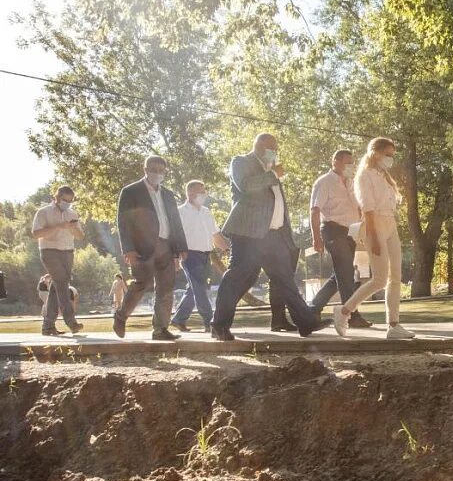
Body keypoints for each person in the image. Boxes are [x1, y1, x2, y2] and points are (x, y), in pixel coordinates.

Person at [210, 133, 328, 341]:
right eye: (272, 147)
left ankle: (306, 322)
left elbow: (277, 203)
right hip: (248, 233)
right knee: (238, 277)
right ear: (259, 144)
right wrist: (272, 174)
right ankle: (219, 325)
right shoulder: (241, 162)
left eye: (276, 148)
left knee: (285, 278)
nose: (275, 151)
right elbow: (245, 186)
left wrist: (286, 232)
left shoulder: (271, 169)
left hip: (274, 235)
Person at [333, 138, 414, 339]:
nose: (391, 159)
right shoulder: (364, 175)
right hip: (374, 224)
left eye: (392, 155)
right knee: (379, 279)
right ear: (375, 152)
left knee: (395, 276)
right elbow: (367, 208)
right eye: (388, 154)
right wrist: (374, 238)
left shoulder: (384, 175)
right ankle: (344, 311)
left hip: (390, 223)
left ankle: (393, 325)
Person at [114, 155, 188, 341]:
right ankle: (121, 315)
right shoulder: (131, 191)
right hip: (142, 247)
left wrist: (181, 247)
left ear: (165, 172)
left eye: (160, 170)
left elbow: (175, 222)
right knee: (142, 283)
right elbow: (123, 222)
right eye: (152, 169)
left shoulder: (168, 194)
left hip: (166, 246)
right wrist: (128, 249)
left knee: (166, 287)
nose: (156, 173)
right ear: (145, 169)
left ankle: (160, 329)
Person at [307, 149, 371, 329]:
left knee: (341, 275)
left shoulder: (352, 183)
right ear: (335, 162)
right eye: (347, 162)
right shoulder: (324, 182)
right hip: (333, 230)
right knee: (346, 274)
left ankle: (313, 308)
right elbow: (314, 210)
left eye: (352, 163)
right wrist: (316, 238)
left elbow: (358, 208)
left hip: (352, 231)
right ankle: (352, 315)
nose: (351, 166)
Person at [171, 180, 229, 332]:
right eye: (201, 192)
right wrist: (175, 257)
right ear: (190, 193)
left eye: (205, 191)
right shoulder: (180, 212)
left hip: (205, 256)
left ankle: (178, 319)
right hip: (189, 255)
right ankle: (210, 321)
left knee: (194, 289)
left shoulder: (206, 212)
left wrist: (228, 250)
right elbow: (174, 237)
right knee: (200, 288)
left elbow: (215, 235)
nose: (204, 194)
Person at [30, 186, 85, 336]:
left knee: (56, 287)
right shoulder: (43, 212)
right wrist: (59, 226)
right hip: (50, 251)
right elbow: (36, 233)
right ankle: (71, 322)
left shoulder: (72, 213)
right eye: (65, 200)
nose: (67, 203)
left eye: (70, 201)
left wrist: (72, 228)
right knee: (62, 283)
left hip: (68, 252)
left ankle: (48, 326)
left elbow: (80, 235)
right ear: (56, 198)